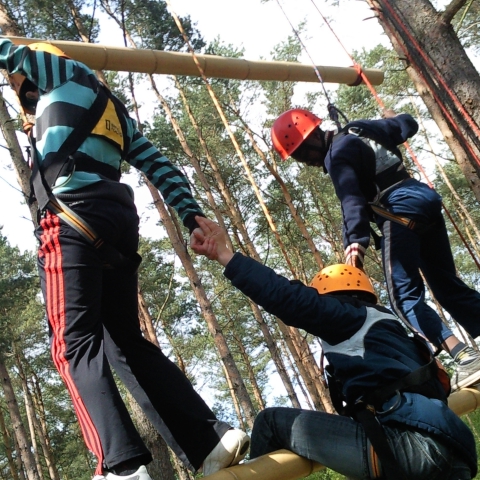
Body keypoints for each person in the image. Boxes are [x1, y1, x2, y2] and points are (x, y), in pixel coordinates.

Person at [0, 38, 249, 480]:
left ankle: (119, 465)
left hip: (72, 218)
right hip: (117, 218)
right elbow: (161, 167)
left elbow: (7, 52)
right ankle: (208, 440)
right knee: (124, 340)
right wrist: (191, 214)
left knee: (72, 342)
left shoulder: (63, 71)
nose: (31, 95)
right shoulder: (112, 109)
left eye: (28, 87)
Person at [191, 215, 477, 480]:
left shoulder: (348, 315)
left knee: (270, 422)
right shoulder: (390, 329)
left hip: (411, 447)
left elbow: (289, 298)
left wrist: (226, 256)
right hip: (457, 452)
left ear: (331, 298)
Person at [270, 108, 480, 391]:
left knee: (404, 298)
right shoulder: (359, 129)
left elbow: (351, 200)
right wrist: (381, 128)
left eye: (301, 154)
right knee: (447, 286)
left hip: (399, 212)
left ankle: (465, 356)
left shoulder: (336, 155)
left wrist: (354, 243)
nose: (305, 162)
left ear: (313, 139)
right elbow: (408, 123)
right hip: (425, 201)